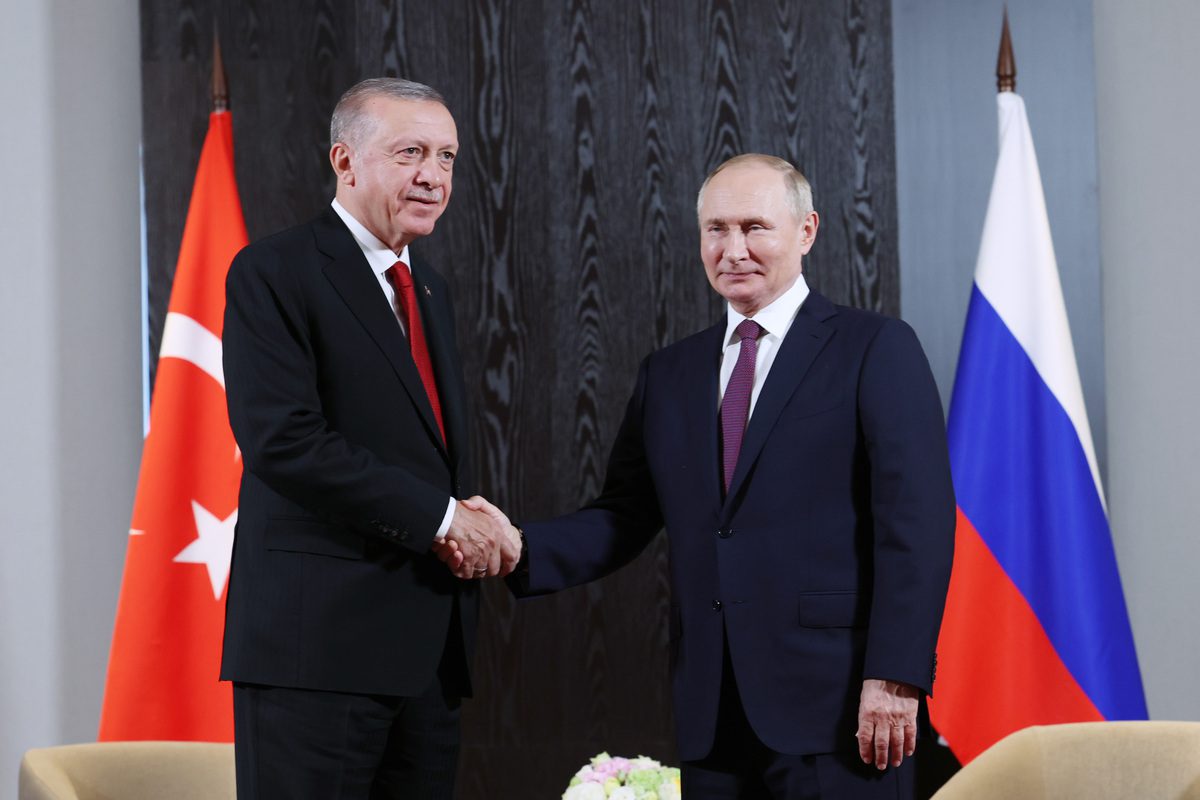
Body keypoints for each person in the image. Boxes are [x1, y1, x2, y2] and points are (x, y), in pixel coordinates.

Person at [444, 154, 955, 799]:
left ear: (807, 231)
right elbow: (623, 514)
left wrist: (895, 676)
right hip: (713, 711)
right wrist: (520, 546)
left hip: (843, 708)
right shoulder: (670, 373)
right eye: (716, 230)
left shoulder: (875, 348)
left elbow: (918, 527)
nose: (733, 249)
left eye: (754, 228)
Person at [221, 78, 517, 800]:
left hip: (425, 654)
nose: (433, 176)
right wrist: (446, 519)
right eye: (411, 152)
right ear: (345, 161)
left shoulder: (431, 290)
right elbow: (285, 442)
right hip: (316, 655)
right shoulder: (274, 271)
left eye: (447, 157)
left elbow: (417, 447)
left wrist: (469, 518)